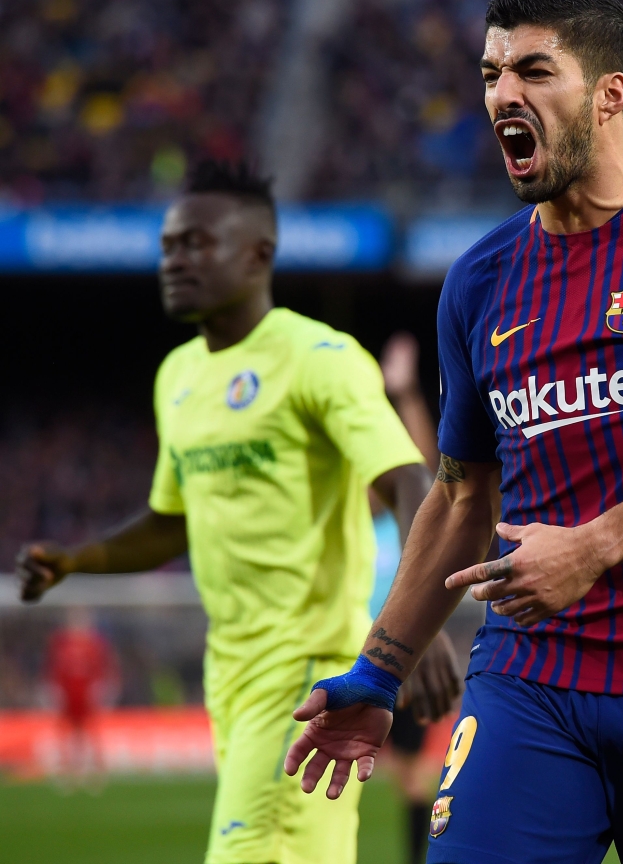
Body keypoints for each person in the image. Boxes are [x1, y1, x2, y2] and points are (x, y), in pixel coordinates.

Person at [284, 0, 623, 864]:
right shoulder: (482, 280)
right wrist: (381, 668)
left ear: (611, 93)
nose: (502, 95)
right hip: (533, 679)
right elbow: (460, 496)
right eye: (492, 74)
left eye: (534, 69)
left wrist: (595, 546)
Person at [17, 159, 459, 864]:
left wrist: (414, 624)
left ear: (258, 254)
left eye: (197, 243)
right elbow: (171, 518)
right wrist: (79, 559)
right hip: (231, 671)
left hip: (310, 667)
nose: (175, 260)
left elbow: (409, 479)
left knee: (246, 852)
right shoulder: (179, 376)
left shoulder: (320, 357)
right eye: (168, 246)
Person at [375, 332, 445, 864]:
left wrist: (407, 395)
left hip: (405, 650)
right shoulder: (364, 518)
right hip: (356, 649)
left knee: (415, 776)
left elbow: (423, 468)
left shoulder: (407, 522)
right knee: (403, 777)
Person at [45, 607, 118, 783]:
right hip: (68, 694)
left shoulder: (94, 643)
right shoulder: (61, 643)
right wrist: (53, 688)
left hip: (87, 694)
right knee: (65, 731)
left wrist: (103, 687)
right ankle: (68, 769)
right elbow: (53, 667)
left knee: (91, 731)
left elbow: (103, 667)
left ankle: (96, 770)